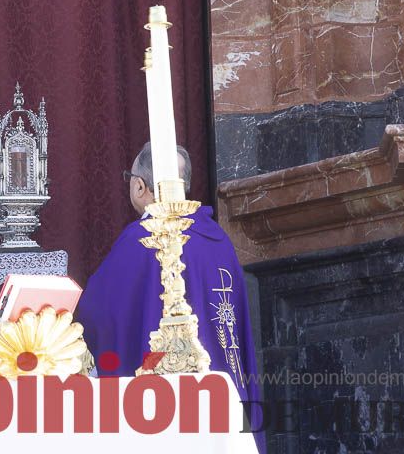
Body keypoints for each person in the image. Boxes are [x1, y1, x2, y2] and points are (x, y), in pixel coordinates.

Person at [74, 142, 264, 452]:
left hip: (164, 407)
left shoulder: (141, 239)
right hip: (222, 397)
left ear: (140, 185)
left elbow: (94, 317)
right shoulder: (218, 241)